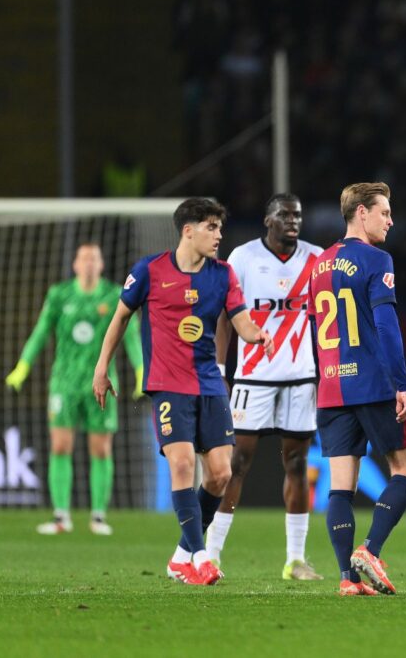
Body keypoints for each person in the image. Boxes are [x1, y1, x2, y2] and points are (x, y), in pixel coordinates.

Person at [92, 198, 274, 586]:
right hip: (167, 383)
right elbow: (121, 317)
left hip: (209, 383)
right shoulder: (149, 270)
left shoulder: (223, 275)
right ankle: (201, 556)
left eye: (220, 228)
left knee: (221, 474)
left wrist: (259, 335)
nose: (219, 235)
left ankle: (180, 555)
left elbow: (241, 323)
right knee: (181, 465)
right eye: (212, 227)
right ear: (187, 230)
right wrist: (101, 367)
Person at [204, 193, 324, 581]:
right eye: (285, 215)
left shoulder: (316, 258)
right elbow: (225, 317)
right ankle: (211, 553)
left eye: (298, 216)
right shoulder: (241, 257)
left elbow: (325, 320)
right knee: (237, 462)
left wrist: (327, 371)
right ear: (267, 219)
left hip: (301, 376)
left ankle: (295, 560)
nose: (294, 222)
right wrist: (221, 367)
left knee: (297, 463)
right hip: (252, 376)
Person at [309, 182, 406, 597]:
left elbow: (313, 331)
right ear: (361, 213)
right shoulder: (377, 259)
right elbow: (387, 327)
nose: (390, 220)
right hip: (373, 384)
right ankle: (370, 550)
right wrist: (402, 385)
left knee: (340, 487)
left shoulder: (318, 265)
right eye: (384, 212)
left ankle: (347, 579)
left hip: (332, 387)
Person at [5, 243, 143, 536]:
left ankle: (98, 517)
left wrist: (141, 370)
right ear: (75, 264)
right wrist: (23, 367)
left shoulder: (113, 294)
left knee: (101, 448)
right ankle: (60, 516)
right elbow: (41, 330)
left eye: (95, 258)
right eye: (84, 258)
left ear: (102, 264)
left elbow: (130, 334)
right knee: (60, 446)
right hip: (64, 383)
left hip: (101, 382)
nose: (90, 263)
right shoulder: (59, 294)